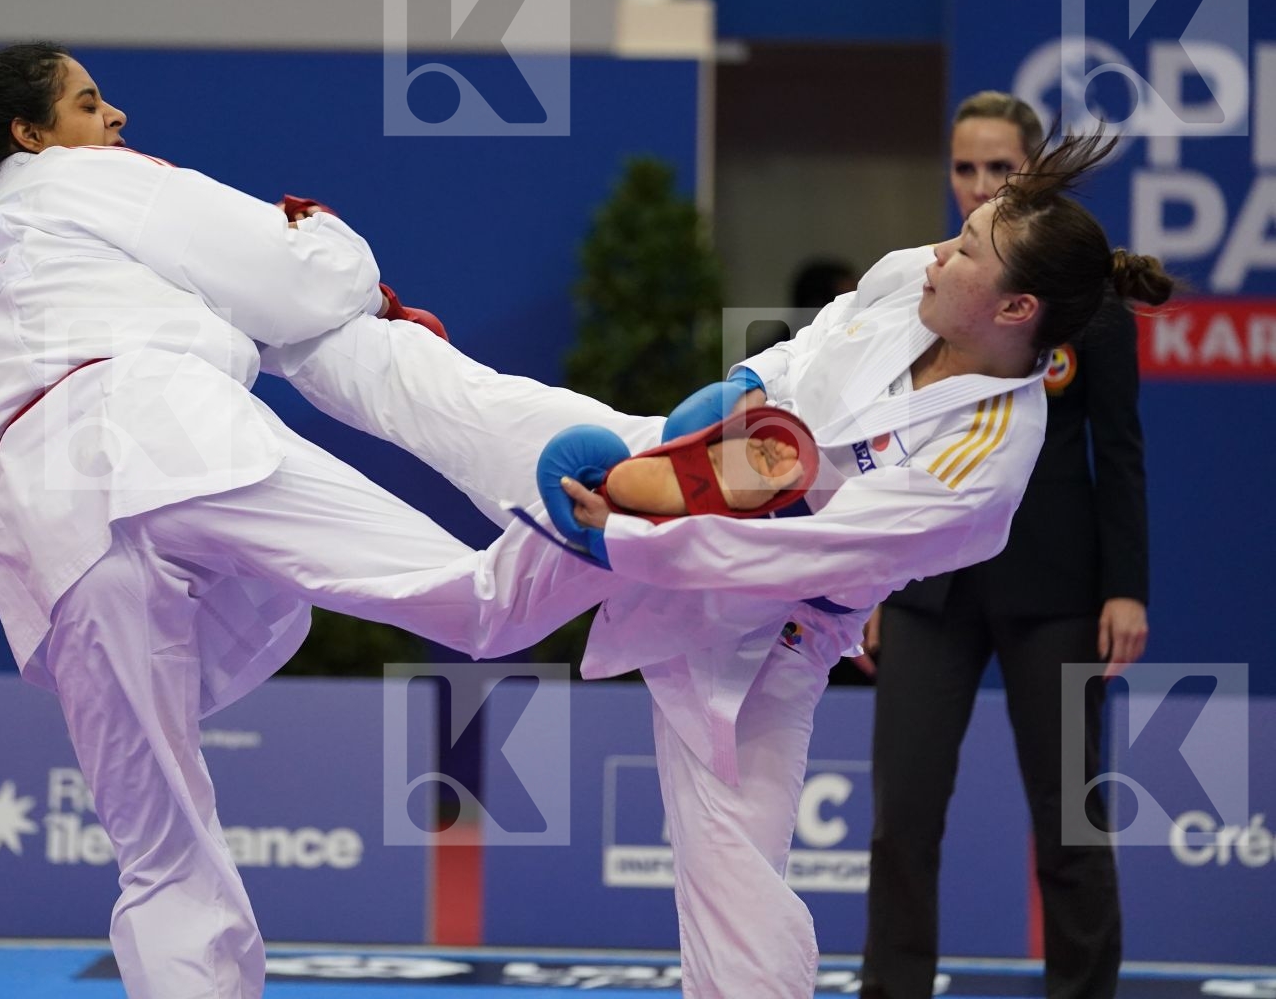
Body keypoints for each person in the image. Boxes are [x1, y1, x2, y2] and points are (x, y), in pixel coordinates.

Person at [262, 132, 1174, 998]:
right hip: (691, 464)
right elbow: (819, 342)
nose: (942, 250)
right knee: (475, 472)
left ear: (1016, 310)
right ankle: (275, 295)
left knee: (733, 877)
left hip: (764, 632)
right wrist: (743, 392)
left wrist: (620, 536)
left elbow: (794, 553)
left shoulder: (983, 470)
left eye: (969, 248)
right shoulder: (911, 278)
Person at [0, 42, 669, 999]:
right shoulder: (78, 179)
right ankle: (635, 511)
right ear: (32, 136)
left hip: (47, 530)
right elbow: (294, 280)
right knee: (476, 601)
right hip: (166, 432)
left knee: (163, 864)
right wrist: (330, 237)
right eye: (89, 103)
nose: (115, 118)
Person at [859, 93, 1149, 999]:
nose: (978, 184)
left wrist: (1125, 588)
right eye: (965, 168)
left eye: (999, 169)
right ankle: (893, 990)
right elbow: (879, 442)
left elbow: (1121, 448)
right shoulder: (929, 290)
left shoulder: (1083, 303)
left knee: (1068, 817)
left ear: (1034, 174)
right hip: (924, 586)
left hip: (1055, 592)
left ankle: (1084, 991)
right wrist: (861, 582)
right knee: (901, 815)